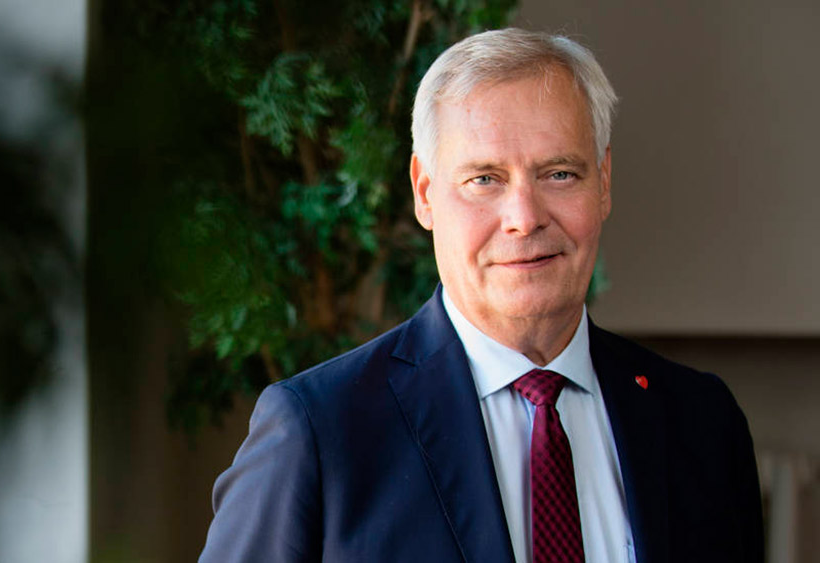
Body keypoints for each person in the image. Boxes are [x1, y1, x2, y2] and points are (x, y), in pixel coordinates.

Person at [199, 28, 763, 563]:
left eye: (559, 174)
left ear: (604, 181)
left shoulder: (702, 421)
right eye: (484, 179)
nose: (524, 218)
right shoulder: (319, 431)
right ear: (425, 194)